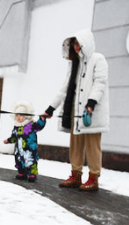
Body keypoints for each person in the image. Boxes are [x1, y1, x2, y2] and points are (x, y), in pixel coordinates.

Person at [42, 29, 109, 191]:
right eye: (74, 44)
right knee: (76, 144)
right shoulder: (74, 63)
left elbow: (100, 82)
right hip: (74, 110)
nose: (76, 47)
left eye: (78, 43)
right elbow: (65, 88)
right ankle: (76, 175)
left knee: (93, 145)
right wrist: (50, 109)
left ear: (86, 43)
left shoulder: (98, 59)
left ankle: (93, 177)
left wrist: (91, 103)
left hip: (90, 111)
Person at [4, 100, 46, 182]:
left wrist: (42, 120)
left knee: (30, 160)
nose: (19, 118)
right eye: (17, 115)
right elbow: (14, 136)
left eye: (21, 115)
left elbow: (39, 126)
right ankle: (22, 173)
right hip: (19, 149)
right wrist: (9, 140)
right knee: (19, 159)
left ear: (26, 116)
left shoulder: (31, 125)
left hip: (29, 148)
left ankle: (32, 174)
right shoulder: (16, 126)